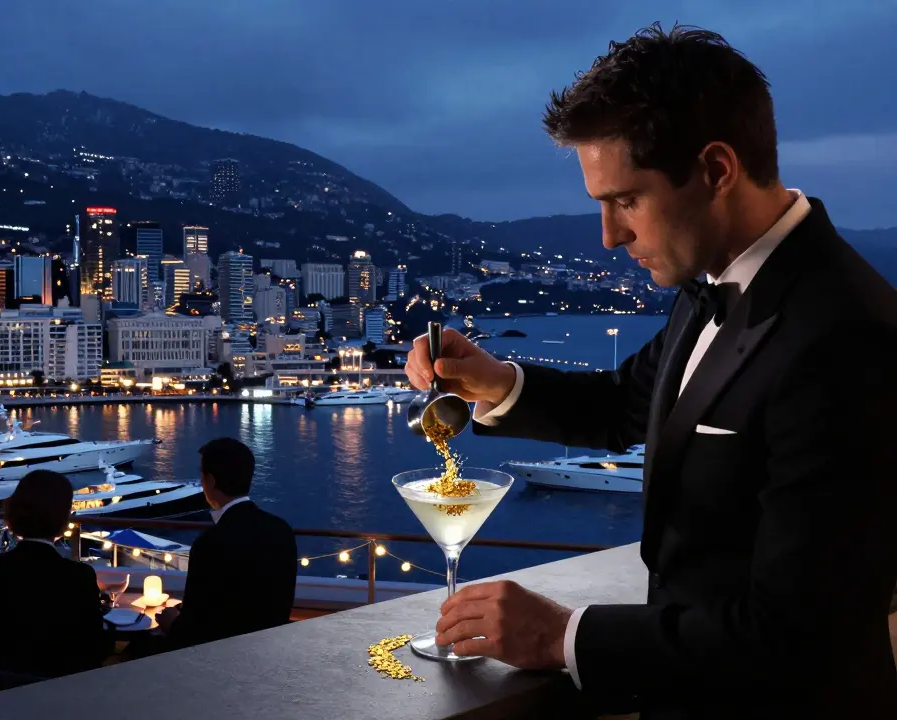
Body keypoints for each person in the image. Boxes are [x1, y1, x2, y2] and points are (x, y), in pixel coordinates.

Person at [406, 24, 897, 720]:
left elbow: (801, 636)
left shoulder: (846, 336)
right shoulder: (708, 283)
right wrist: (495, 382)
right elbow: (623, 403)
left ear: (717, 170)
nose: (609, 236)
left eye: (626, 199)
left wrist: (562, 637)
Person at [156, 437, 297, 649]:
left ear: (210, 481)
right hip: (271, 651)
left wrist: (171, 622)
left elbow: (193, 634)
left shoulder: (209, 544)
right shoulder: (282, 531)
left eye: (202, 476)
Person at [0, 469, 111, 678]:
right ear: (62, 518)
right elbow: (92, 648)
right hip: (62, 690)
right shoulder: (79, 575)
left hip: (7, 686)